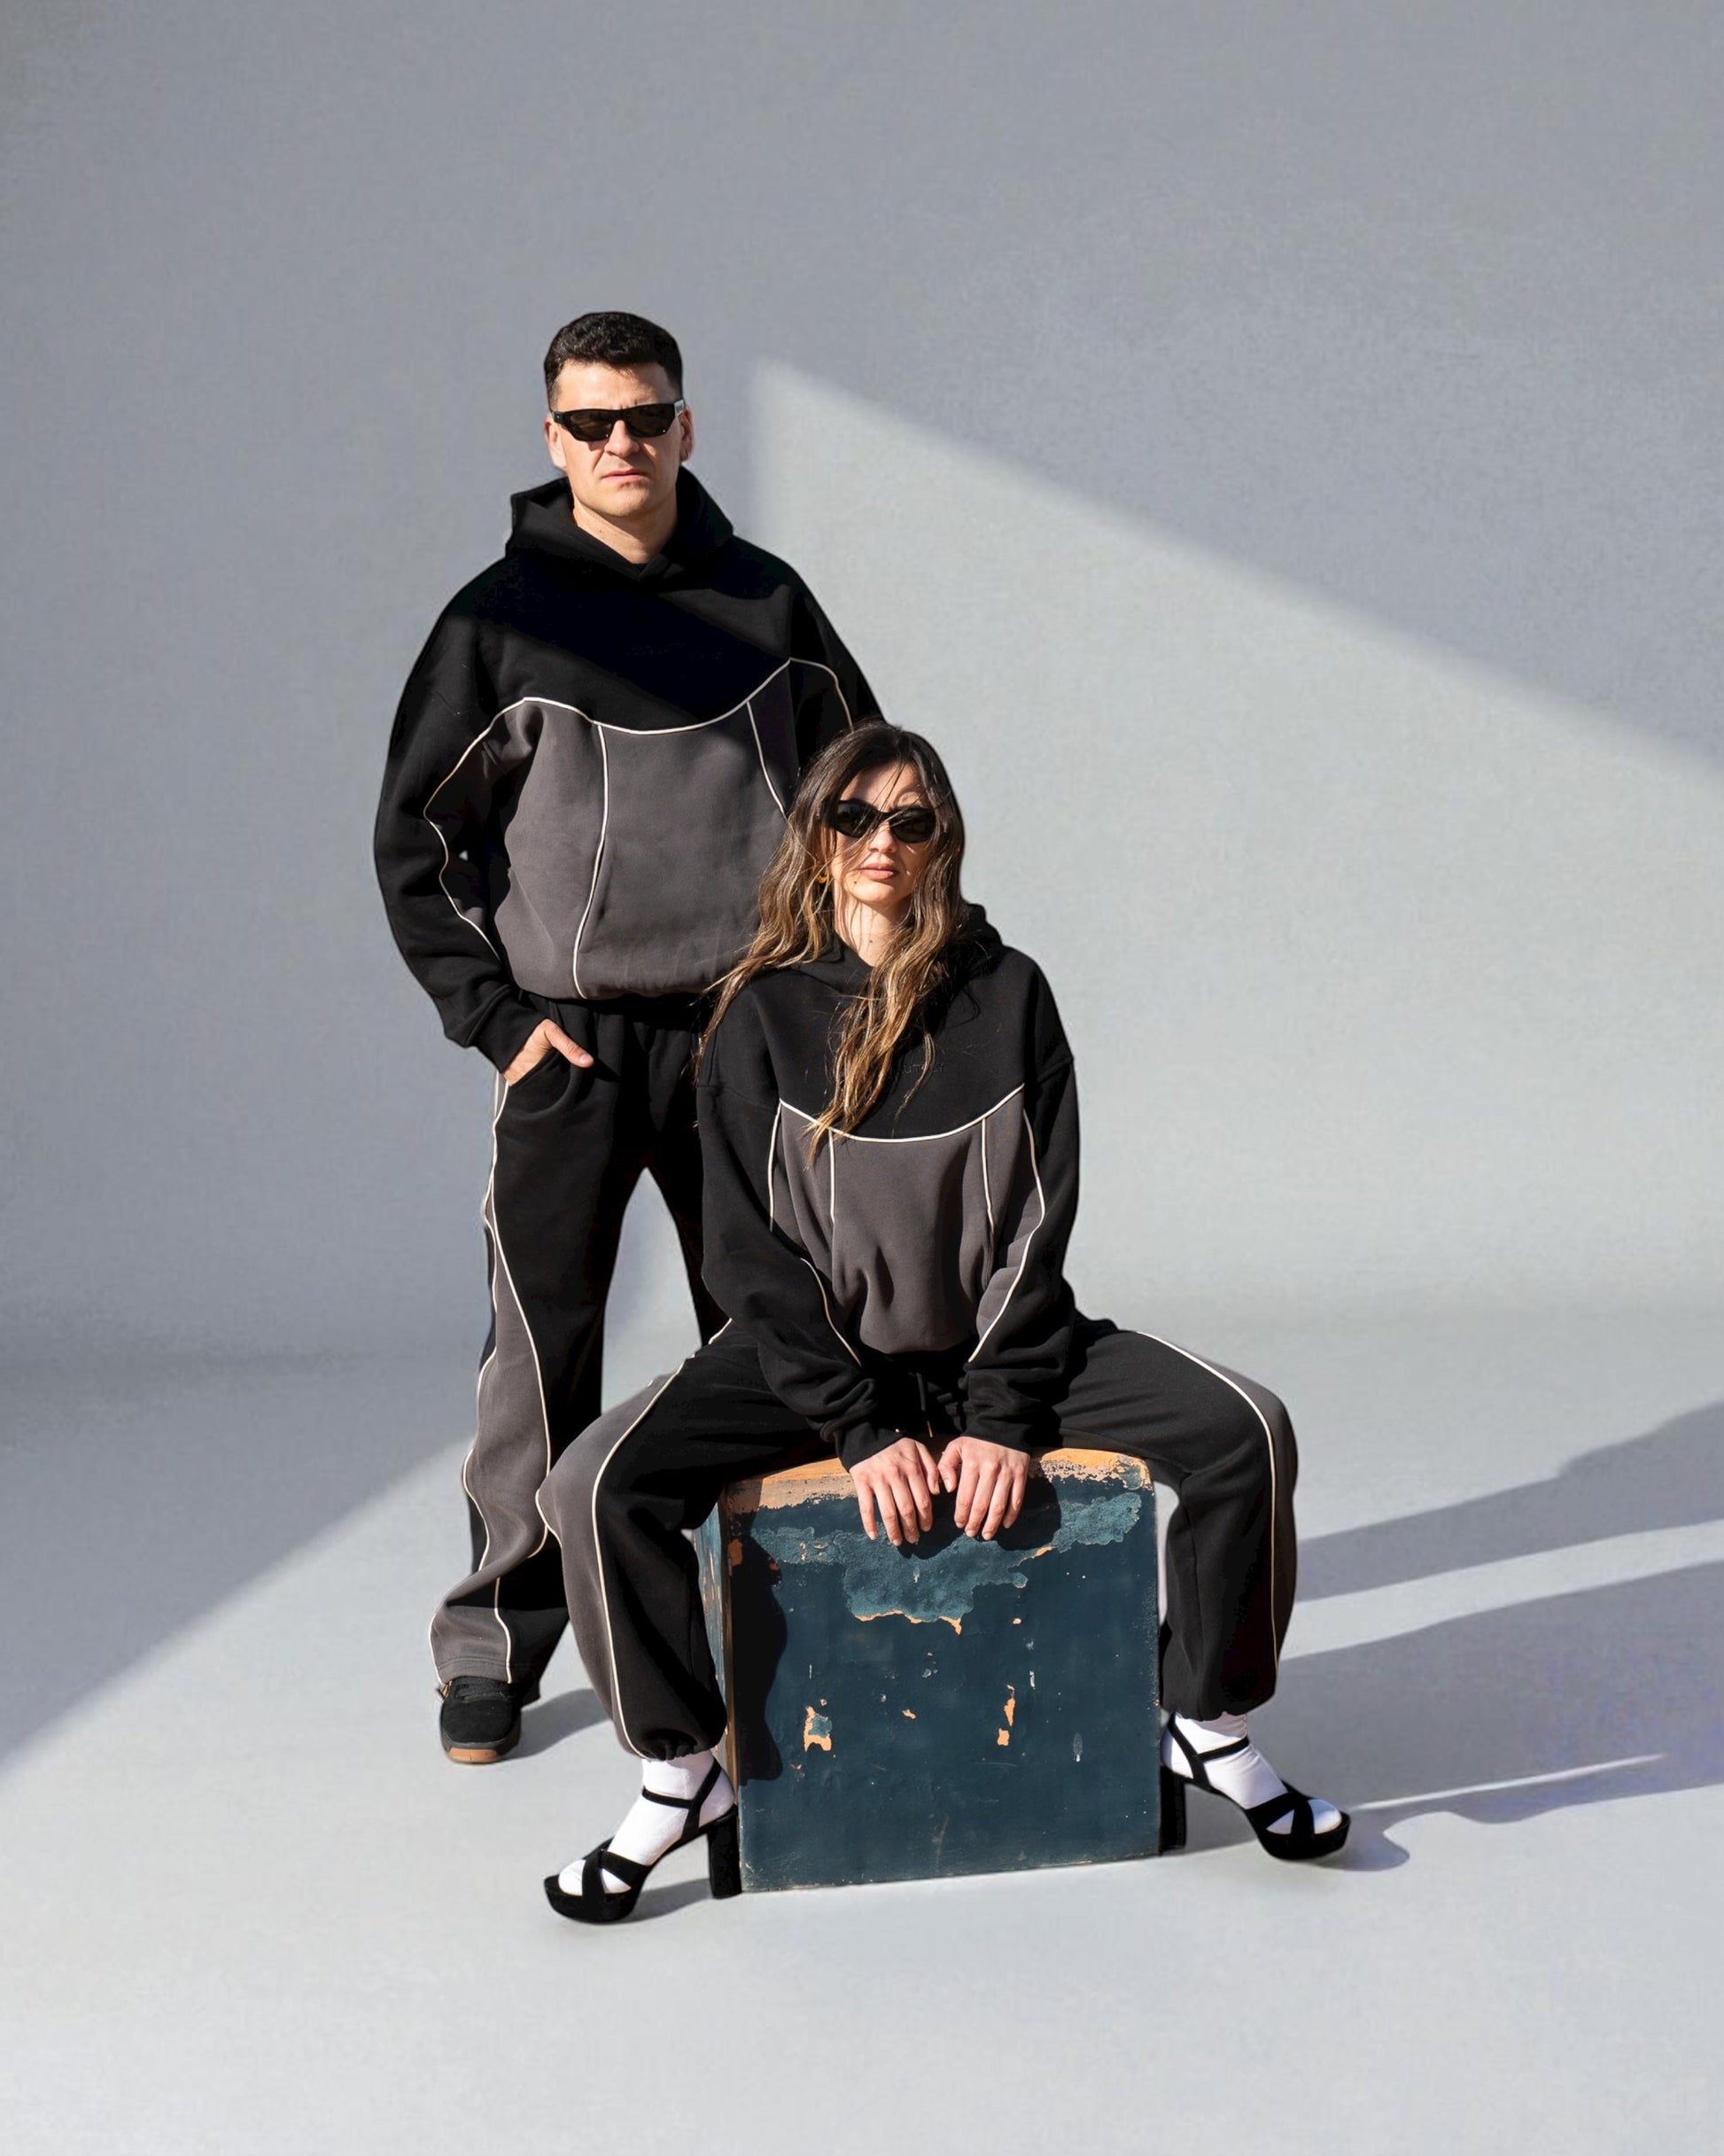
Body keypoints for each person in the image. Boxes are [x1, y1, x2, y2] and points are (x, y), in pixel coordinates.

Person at [536, 720, 1348, 1922]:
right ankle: (682, 1771)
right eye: (854, 816)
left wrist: (1004, 1413)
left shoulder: (1009, 995)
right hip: (816, 1364)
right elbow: (748, 1255)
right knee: (595, 1486)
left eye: (909, 820)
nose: (881, 839)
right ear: (815, 837)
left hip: (996, 1349)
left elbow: (1038, 1221)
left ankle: (1204, 1722)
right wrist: (858, 1427)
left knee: (1248, 1431)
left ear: (941, 843)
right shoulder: (757, 1015)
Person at [374, 312, 877, 1764]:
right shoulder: (494, 623)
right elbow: (416, 843)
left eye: (644, 417)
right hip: (572, 1049)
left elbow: (866, 800)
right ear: (552, 438)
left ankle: (777, 1605)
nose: (620, 444)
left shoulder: (767, 603)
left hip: (741, 1037)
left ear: (684, 428)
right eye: (590, 422)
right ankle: (495, 1639)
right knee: (541, 1355)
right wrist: (499, 1021)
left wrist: (826, 1000)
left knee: (775, 1336)